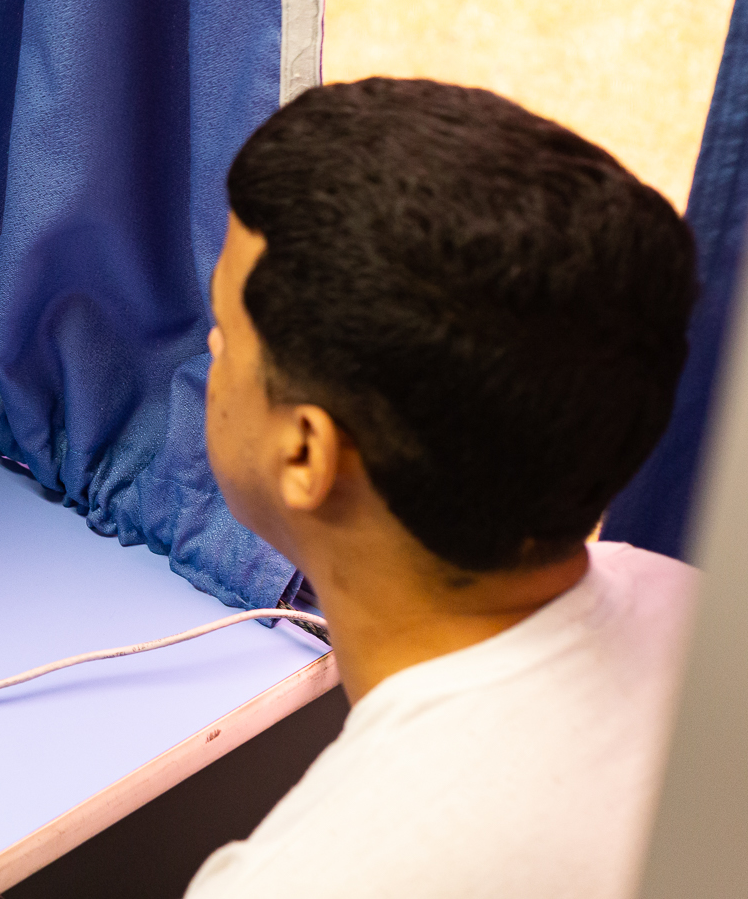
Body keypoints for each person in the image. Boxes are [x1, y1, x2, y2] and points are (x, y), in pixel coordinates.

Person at [187, 78, 700, 899]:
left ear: (306, 452)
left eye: (225, 333)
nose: (212, 343)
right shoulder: (691, 605)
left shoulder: (304, 878)